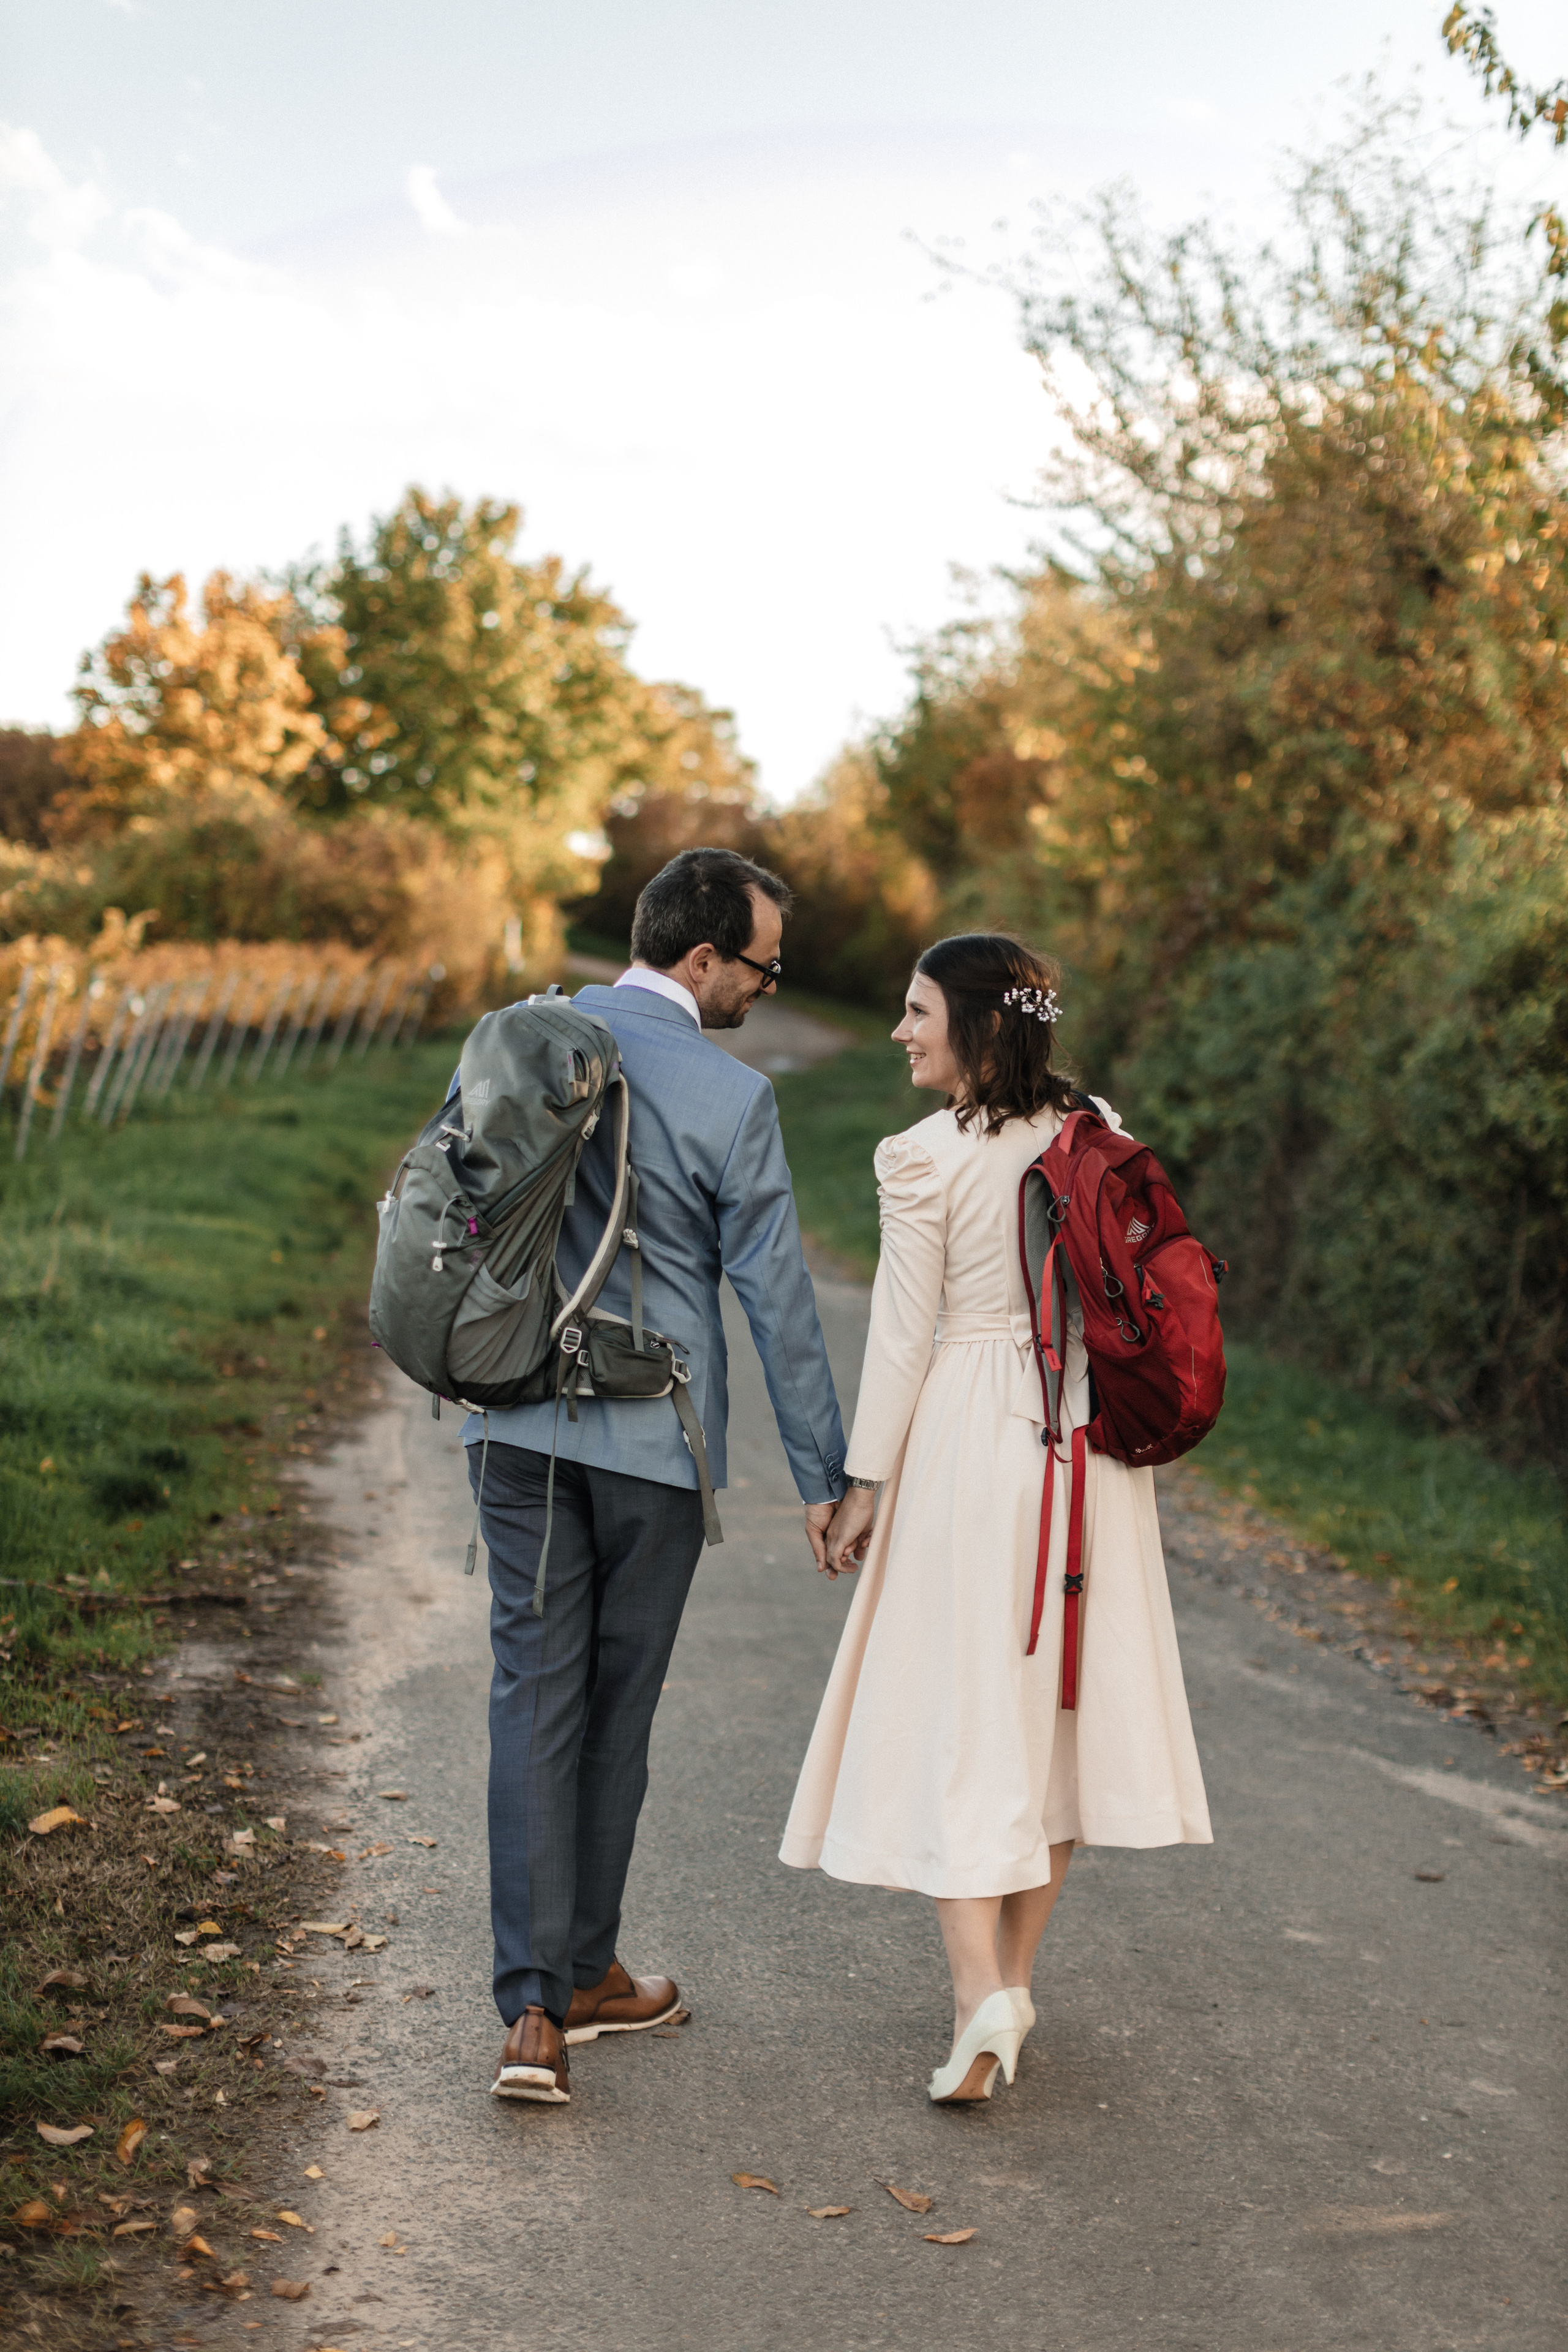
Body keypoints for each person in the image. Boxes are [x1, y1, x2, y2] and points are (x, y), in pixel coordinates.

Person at [780, 932, 1212, 2104]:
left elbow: (904, 1335)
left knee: (955, 1713)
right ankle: (1009, 1988)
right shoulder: (1092, 1124)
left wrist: (861, 1482)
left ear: (972, 1024)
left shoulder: (918, 1158)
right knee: (1049, 1718)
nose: (900, 1032)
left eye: (917, 1012)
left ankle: (984, 2001)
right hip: (1087, 1446)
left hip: (974, 1440)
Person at [470, 848, 847, 2105]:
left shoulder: (521, 1041)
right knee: (613, 1713)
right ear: (701, 959)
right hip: (652, 1450)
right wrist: (823, 1473)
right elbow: (779, 1304)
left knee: (532, 1696)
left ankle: (530, 2011)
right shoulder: (728, 1098)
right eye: (761, 964)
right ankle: (581, 1977)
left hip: (516, 1431)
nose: (764, 983)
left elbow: (446, 1207)